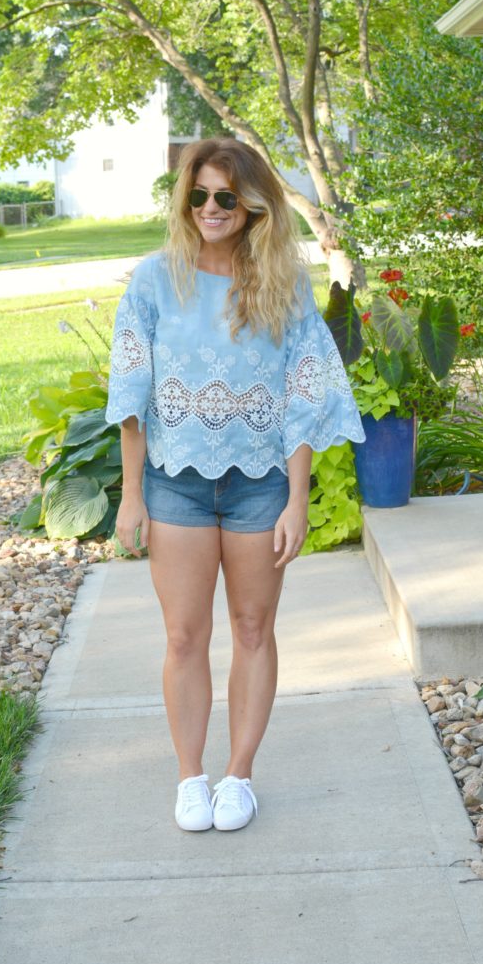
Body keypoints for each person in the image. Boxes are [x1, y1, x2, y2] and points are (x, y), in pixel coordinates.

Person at [105, 137, 364, 833]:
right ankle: (190, 777)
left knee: (253, 628)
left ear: (252, 206)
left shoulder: (281, 284)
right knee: (184, 637)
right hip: (175, 485)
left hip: (259, 486)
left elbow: (303, 395)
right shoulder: (153, 280)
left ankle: (237, 775)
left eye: (226, 196)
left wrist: (295, 497)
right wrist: (131, 497)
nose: (210, 208)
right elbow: (131, 395)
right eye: (198, 195)